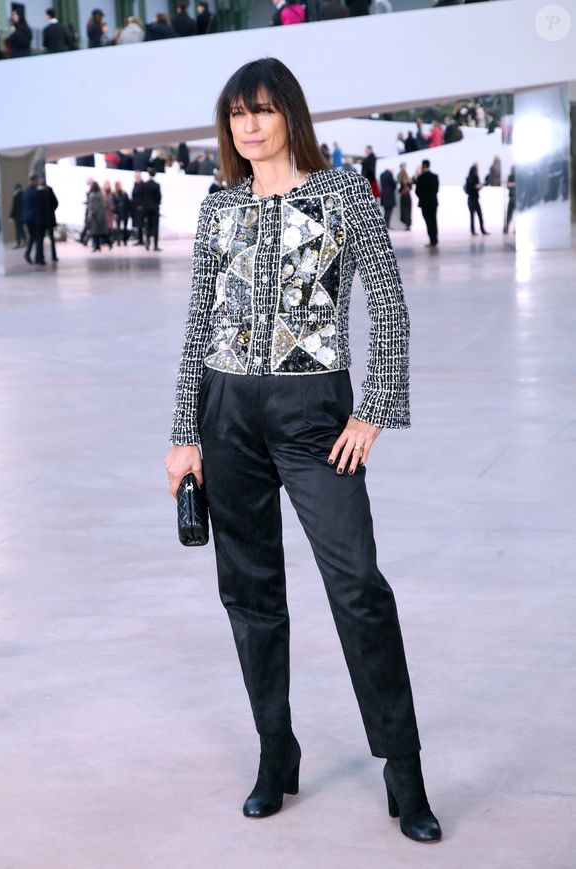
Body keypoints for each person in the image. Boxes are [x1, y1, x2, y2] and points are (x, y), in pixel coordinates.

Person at [164, 56, 442, 844]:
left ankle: (403, 764)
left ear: (290, 113)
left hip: (315, 412)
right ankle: (275, 748)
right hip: (226, 414)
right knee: (249, 593)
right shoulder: (219, 207)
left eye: (261, 111)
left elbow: (388, 309)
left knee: (358, 586)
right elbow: (196, 328)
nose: (247, 127)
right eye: (235, 116)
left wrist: (375, 410)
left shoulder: (344, 194)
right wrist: (185, 434)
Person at [414, 159, 439, 247]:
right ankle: (435, 239)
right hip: (433, 202)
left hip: (424, 203)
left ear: (423, 166)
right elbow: (436, 190)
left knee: (428, 222)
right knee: (434, 221)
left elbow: (417, 191)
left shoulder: (420, 178)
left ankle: (432, 240)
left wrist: (422, 197)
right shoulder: (435, 176)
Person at [465, 163, 489, 236]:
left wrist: (481, 186)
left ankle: (482, 230)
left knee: (479, 215)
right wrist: (477, 187)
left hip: (475, 199)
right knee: (472, 216)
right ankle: (473, 231)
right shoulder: (469, 178)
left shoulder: (475, 178)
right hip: (471, 199)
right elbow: (470, 188)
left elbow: (477, 188)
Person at [141, 169, 161, 250]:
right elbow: (159, 197)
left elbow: (142, 196)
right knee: (155, 226)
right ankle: (155, 245)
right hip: (155, 208)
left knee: (147, 226)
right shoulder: (156, 185)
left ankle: (148, 243)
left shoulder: (145, 185)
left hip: (146, 208)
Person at [87, 182, 109, 251]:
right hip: (96, 215)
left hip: (96, 215)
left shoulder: (96, 195)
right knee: (96, 232)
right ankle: (97, 246)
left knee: (97, 232)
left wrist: (94, 211)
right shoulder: (98, 194)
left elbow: (97, 205)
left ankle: (102, 244)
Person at [23, 175, 40, 264]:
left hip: (27, 217)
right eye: (37, 180)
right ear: (34, 180)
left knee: (33, 236)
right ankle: (36, 256)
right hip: (34, 217)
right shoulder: (35, 191)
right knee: (36, 237)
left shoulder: (26, 191)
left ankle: (29, 254)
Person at [397, 163, 413, 231]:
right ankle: (408, 225)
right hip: (407, 197)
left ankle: (407, 225)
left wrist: (402, 191)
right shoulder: (407, 179)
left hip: (404, 197)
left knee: (405, 211)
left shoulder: (400, 178)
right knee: (407, 211)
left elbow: (400, 189)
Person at [131, 172, 145, 245]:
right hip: (135, 208)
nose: (136, 177)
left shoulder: (143, 184)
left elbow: (144, 196)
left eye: (137, 176)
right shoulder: (135, 184)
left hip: (140, 208)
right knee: (138, 225)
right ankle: (139, 240)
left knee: (141, 225)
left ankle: (142, 240)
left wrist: (141, 205)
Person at [504, 166, 515, 234]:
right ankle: (507, 227)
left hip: (515, 197)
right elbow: (508, 185)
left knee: (513, 214)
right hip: (512, 197)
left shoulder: (518, 176)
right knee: (509, 214)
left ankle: (509, 227)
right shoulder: (510, 177)